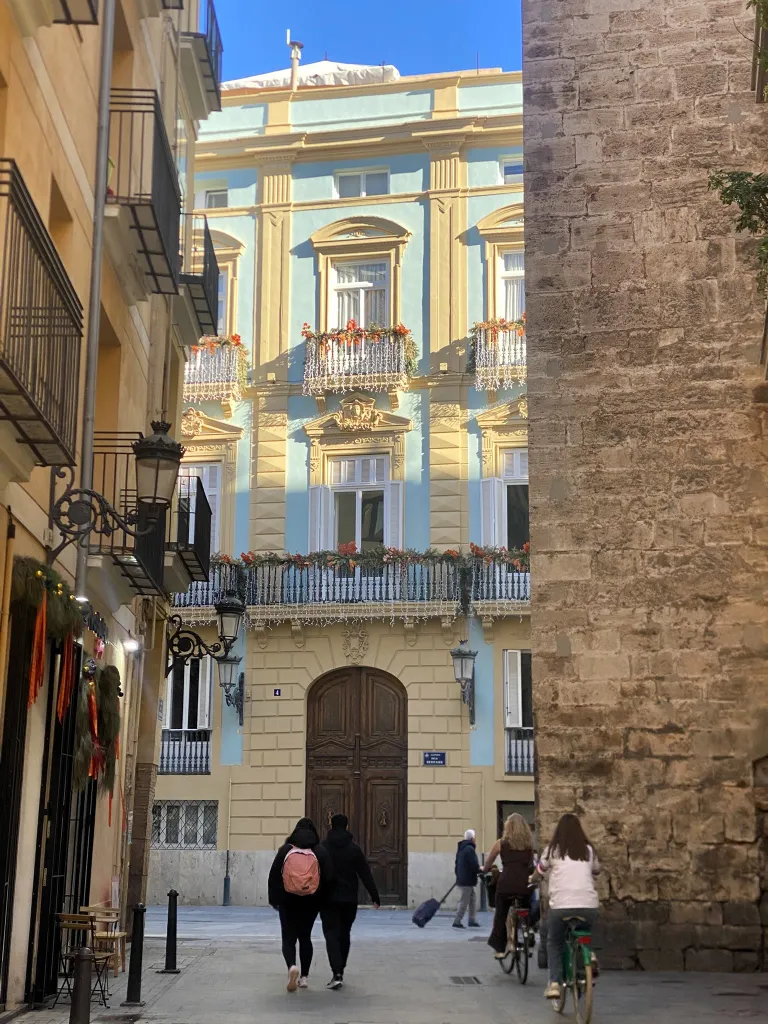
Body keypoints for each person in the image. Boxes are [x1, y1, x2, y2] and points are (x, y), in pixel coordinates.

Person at [533, 813, 599, 1001]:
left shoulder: (553, 850)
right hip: (588, 905)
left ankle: (554, 983)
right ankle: (590, 956)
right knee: (583, 932)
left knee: (554, 942)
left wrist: (532, 878)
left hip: (561, 906)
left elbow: (540, 871)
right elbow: (596, 871)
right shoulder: (588, 850)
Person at [268, 817, 333, 992]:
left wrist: (274, 899)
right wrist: (322, 901)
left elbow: (273, 876)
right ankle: (304, 977)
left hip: (287, 900)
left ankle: (291, 967)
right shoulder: (320, 851)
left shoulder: (286, 850)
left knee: (288, 937)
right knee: (305, 937)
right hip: (311, 901)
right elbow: (329, 879)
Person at [320, 813, 380, 990]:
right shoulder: (354, 849)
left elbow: (316, 873)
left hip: (328, 899)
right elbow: (365, 873)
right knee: (344, 933)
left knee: (331, 933)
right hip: (348, 899)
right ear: (346, 827)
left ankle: (336, 971)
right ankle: (341, 971)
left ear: (331, 825)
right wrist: (375, 896)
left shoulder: (323, 848)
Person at [483, 813, 534, 958]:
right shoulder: (529, 845)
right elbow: (530, 864)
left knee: (501, 913)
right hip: (524, 884)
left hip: (506, 883)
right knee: (526, 904)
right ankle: (527, 928)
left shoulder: (501, 843)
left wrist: (485, 869)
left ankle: (499, 949)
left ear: (508, 827)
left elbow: (489, 862)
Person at [453, 829, 481, 929]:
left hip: (463, 878)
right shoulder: (469, 849)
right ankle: (457, 921)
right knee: (464, 901)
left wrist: (458, 875)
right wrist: (480, 869)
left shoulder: (462, 848)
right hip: (467, 879)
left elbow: (457, 863)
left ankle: (472, 919)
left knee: (472, 898)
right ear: (472, 838)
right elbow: (474, 864)